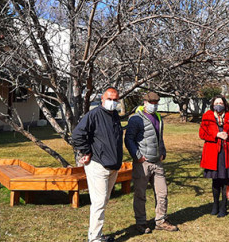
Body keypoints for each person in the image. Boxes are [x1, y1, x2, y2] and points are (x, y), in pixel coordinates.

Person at [72, 87, 124, 242]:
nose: (112, 102)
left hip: (113, 167)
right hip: (98, 166)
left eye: (115, 100)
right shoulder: (94, 115)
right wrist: (86, 151)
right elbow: (77, 135)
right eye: (109, 99)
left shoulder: (114, 115)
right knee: (99, 203)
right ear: (102, 99)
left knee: (104, 201)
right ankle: (94, 238)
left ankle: (98, 234)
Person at [124, 92, 179, 234]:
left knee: (162, 193)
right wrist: (138, 156)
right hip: (143, 163)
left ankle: (161, 220)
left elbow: (159, 138)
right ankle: (141, 222)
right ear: (145, 102)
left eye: (156, 103)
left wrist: (163, 152)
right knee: (140, 194)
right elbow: (129, 139)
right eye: (151, 103)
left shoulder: (158, 118)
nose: (153, 106)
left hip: (157, 162)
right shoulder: (136, 119)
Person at [199, 95, 229, 217]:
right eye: (216, 103)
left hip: (228, 153)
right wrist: (216, 134)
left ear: (225, 104)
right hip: (213, 153)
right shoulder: (207, 116)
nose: (219, 105)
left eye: (221, 103)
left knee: (226, 181)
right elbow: (202, 134)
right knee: (215, 181)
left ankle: (224, 206)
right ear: (212, 104)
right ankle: (215, 205)